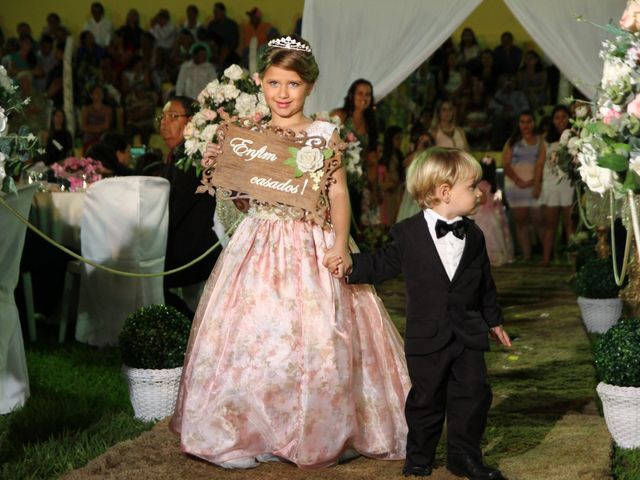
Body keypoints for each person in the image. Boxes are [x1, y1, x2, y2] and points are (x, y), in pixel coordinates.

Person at [170, 35, 410, 470]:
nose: (283, 94)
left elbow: (337, 194)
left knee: (316, 339)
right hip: (259, 244)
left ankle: (322, 427)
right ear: (261, 82)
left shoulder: (322, 134)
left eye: (293, 84)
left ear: (309, 87)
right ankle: (254, 429)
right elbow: (245, 201)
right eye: (275, 83)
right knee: (258, 338)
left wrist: (340, 243)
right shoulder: (251, 135)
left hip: (311, 243)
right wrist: (236, 186)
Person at [327, 147, 511, 480]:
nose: (479, 193)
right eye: (472, 187)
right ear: (444, 192)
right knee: (426, 400)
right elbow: (382, 263)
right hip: (427, 337)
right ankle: (419, 458)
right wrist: (350, 265)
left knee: (473, 395)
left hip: (468, 334)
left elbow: (484, 282)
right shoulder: (407, 233)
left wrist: (494, 319)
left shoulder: (476, 235)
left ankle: (464, 457)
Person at [157, 96, 220, 315]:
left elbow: (175, 209)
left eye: (173, 116)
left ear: (191, 122)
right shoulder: (176, 156)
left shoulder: (193, 157)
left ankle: (185, 324)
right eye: (162, 117)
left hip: (193, 250)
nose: (164, 123)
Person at [330, 78, 378, 228]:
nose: (364, 98)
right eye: (360, 93)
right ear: (351, 95)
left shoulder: (371, 122)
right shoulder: (340, 115)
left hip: (356, 182)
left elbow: (371, 158)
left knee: (352, 225)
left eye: (368, 94)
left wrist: (374, 188)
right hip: (336, 177)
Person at [534, 104, 574, 266]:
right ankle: (546, 259)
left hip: (568, 185)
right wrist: (537, 184)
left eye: (564, 117)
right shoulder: (546, 139)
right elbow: (540, 163)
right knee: (549, 224)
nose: (561, 120)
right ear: (552, 120)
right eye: (557, 117)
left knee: (569, 225)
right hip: (550, 185)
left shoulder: (575, 136)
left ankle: (573, 260)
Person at [503, 110, 543, 261]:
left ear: (534, 123)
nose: (526, 125)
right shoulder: (512, 142)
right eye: (522, 122)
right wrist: (518, 180)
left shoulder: (541, 140)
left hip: (535, 186)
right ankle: (527, 256)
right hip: (516, 187)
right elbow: (506, 164)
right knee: (521, 222)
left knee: (539, 220)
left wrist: (536, 181)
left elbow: (543, 162)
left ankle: (546, 255)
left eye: (529, 121)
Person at [472, 157, 515, 266]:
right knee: (497, 237)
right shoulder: (494, 186)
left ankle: (489, 258)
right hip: (495, 215)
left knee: (487, 237)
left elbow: (481, 200)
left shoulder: (480, 185)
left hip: (482, 216)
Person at [396, 131, 434, 222]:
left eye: (426, 142)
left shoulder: (433, 159)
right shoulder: (412, 156)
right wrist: (419, 150)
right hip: (410, 195)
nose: (424, 144)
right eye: (421, 141)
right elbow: (405, 164)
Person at [379, 125, 405, 224]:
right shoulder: (385, 156)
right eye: (397, 138)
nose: (400, 141)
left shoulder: (399, 155)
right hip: (388, 194)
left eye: (401, 138)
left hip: (398, 193)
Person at [80, 84, 113, 153]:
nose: (99, 95)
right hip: (89, 137)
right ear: (91, 95)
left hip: (103, 136)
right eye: (96, 93)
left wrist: (91, 127)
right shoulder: (86, 109)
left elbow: (106, 126)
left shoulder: (108, 109)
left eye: (101, 93)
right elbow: (83, 126)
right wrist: (98, 128)